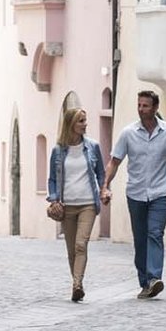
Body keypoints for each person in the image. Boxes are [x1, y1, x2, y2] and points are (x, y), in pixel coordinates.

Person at [101, 89, 166, 298]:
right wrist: (105, 185)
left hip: (160, 193)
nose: (141, 109)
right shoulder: (128, 133)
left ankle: (154, 278)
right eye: (139, 105)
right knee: (140, 239)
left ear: (155, 107)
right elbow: (114, 162)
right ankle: (144, 282)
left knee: (155, 233)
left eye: (145, 106)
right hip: (135, 193)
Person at [45, 106, 105, 302]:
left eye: (85, 120)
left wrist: (104, 190)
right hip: (67, 206)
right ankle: (77, 284)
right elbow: (52, 179)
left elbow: (101, 174)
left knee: (81, 245)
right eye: (81, 121)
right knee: (71, 250)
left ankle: (77, 285)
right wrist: (54, 199)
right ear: (70, 124)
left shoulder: (93, 146)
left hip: (88, 204)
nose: (85, 124)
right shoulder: (58, 151)